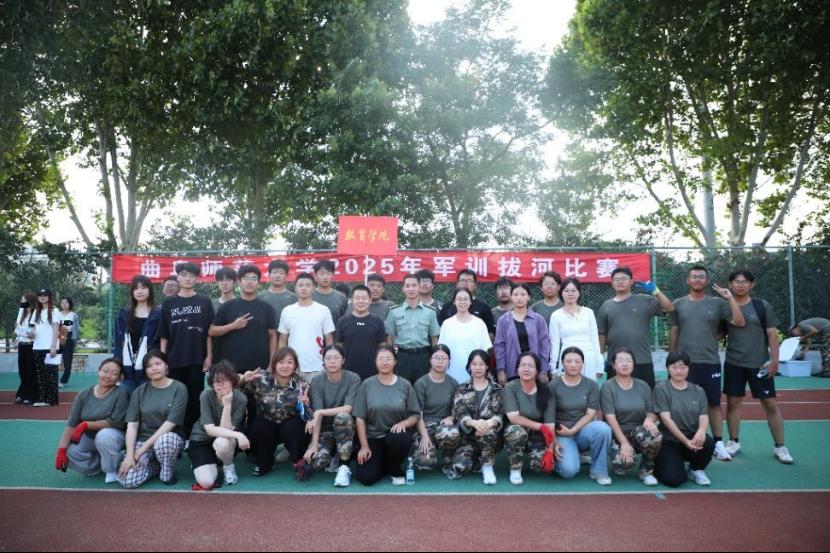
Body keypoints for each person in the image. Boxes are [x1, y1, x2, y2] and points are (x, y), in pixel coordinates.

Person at [668, 265, 746, 462]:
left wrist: (730, 297)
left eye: (701, 277)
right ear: (687, 280)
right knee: (682, 404)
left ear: (707, 281)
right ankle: (683, 441)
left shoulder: (718, 303)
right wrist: (672, 357)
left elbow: (739, 322)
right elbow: (674, 330)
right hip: (684, 364)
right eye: (694, 277)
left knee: (713, 403)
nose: (697, 280)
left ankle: (718, 443)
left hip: (710, 361)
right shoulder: (678, 303)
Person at [724, 270, 793, 463]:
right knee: (733, 403)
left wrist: (774, 360)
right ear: (730, 284)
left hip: (760, 364)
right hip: (733, 363)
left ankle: (780, 446)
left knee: (770, 404)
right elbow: (718, 332)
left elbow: (772, 334)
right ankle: (734, 442)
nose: (740, 285)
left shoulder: (762, 306)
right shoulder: (725, 306)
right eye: (736, 281)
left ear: (752, 285)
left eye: (745, 282)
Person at [157, 262, 215, 439]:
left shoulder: (204, 302)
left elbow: (209, 332)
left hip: (197, 358)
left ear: (197, 279)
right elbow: (164, 334)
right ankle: (177, 433)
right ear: (178, 278)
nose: (188, 278)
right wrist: (163, 359)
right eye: (184, 275)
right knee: (176, 398)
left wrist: (209, 355)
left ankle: (192, 435)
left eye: (191, 275)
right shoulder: (169, 303)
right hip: (174, 359)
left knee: (195, 397)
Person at [118, 350, 188, 488]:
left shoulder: (179, 388)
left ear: (166, 366)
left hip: (168, 438)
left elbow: (170, 423)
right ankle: (155, 466)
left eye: (158, 363)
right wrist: (130, 455)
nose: (154, 368)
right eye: (149, 366)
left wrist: (141, 450)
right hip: (143, 438)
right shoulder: (139, 391)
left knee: (165, 441)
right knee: (127, 480)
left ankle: (166, 471)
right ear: (145, 371)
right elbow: (132, 425)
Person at [353, 345, 421, 486]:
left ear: (395, 362)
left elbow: (415, 415)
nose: (385, 362)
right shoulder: (367, 384)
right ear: (375, 361)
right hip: (374, 437)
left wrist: (404, 423)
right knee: (366, 478)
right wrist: (364, 446)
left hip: (396, 436)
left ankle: (395, 468)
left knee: (399, 437)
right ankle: (384, 464)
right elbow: (359, 417)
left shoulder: (405, 385)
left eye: (388, 359)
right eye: (381, 359)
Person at [54, 358, 129, 483]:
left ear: (119, 377)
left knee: (104, 435)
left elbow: (115, 422)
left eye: (114, 373)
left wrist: (86, 424)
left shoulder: (121, 393)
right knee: (71, 452)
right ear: (99, 371)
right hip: (90, 438)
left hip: (114, 437)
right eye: (105, 371)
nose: (108, 376)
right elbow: (72, 423)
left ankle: (111, 469)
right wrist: (61, 450)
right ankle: (101, 465)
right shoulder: (84, 393)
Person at [598, 267, 674, 389]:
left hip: (642, 359)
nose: (620, 282)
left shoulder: (644, 300)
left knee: (646, 396)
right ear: (612, 283)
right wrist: (599, 357)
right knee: (616, 396)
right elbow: (601, 333)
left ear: (631, 282)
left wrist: (656, 291)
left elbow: (669, 308)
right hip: (616, 361)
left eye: (624, 278)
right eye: (616, 279)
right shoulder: (606, 305)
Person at [240, 348, 310, 477]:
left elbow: (309, 413)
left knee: (296, 427)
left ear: (295, 365)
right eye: (281, 362)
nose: (285, 366)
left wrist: (306, 405)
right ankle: (265, 462)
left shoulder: (302, 384)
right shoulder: (260, 378)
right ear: (274, 364)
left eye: (290, 362)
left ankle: (298, 461)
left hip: (289, 425)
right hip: (267, 422)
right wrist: (243, 379)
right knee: (258, 426)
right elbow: (234, 387)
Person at [653, 351, 716, 487]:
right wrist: (685, 441)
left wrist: (701, 430)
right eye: (674, 367)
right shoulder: (661, 389)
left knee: (708, 441)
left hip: (691, 438)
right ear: (668, 368)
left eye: (683, 367)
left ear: (689, 368)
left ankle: (695, 469)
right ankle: (665, 463)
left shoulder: (698, 391)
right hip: (669, 440)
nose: (679, 371)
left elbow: (704, 416)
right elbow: (666, 419)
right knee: (673, 480)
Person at [600, 348, 662, 486]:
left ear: (633, 364)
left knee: (654, 436)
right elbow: (610, 418)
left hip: (638, 432)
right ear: (614, 365)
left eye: (628, 360)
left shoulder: (643, 386)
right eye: (620, 361)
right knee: (622, 464)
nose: (625, 364)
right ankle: (624, 456)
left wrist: (649, 419)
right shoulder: (608, 387)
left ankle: (646, 470)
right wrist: (624, 442)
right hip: (617, 434)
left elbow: (652, 411)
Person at [551, 347, 613, 485]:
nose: (573, 365)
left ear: (582, 364)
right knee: (569, 471)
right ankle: (569, 456)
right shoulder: (553, 385)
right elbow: (548, 417)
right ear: (562, 363)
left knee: (603, 429)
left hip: (582, 431)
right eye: (569, 361)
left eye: (577, 361)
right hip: (562, 433)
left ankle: (599, 471)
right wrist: (553, 441)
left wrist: (573, 430)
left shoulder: (591, 385)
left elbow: (590, 414)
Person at [303, 345, 361, 487]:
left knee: (343, 416)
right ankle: (334, 452)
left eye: (336, 358)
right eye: (328, 358)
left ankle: (344, 465)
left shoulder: (353, 378)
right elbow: (317, 415)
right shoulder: (317, 380)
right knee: (315, 461)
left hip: (346, 428)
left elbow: (348, 408)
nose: (332, 362)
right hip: (326, 430)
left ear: (343, 360)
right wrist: (314, 446)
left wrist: (320, 412)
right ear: (323, 361)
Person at [188, 361, 250, 490]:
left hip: (224, 441)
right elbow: (210, 430)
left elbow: (225, 431)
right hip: (202, 439)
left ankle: (228, 467)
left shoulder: (241, 398)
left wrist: (227, 405)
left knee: (222, 442)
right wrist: (239, 435)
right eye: (216, 381)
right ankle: (206, 462)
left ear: (233, 382)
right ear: (212, 383)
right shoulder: (206, 395)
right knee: (207, 482)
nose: (220, 384)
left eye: (224, 380)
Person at [502, 352, 559, 485]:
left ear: (537, 370)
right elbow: (514, 417)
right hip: (516, 430)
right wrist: (540, 426)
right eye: (523, 365)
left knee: (544, 466)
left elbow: (550, 425)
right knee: (515, 431)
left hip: (537, 435)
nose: (526, 369)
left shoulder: (546, 391)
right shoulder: (510, 387)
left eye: (531, 366)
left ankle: (534, 456)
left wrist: (550, 450)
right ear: (517, 369)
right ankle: (515, 469)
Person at [210, 264, 278, 375]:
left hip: (259, 368)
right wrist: (232, 326)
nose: (249, 282)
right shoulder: (227, 306)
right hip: (231, 369)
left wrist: (271, 364)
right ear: (239, 282)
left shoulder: (267, 308)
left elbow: (273, 336)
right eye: (246, 278)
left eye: (253, 279)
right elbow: (212, 331)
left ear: (259, 283)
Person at [450, 350, 504, 485]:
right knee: (460, 467)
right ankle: (477, 461)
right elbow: (460, 412)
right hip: (468, 436)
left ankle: (487, 467)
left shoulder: (497, 389)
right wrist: (474, 423)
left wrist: (490, 423)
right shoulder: (462, 388)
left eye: (481, 364)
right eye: (474, 364)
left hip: (490, 436)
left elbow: (500, 414)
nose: (478, 368)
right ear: (469, 366)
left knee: (488, 431)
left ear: (487, 366)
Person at [412, 345, 462, 478]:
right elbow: (417, 414)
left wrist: (451, 417)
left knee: (450, 434)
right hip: (424, 425)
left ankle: (448, 458)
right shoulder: (421, 383)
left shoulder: (453, 383)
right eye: (436, 358)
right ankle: (422, 449)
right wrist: (424, 436)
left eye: (444, 358)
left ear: (449, 361)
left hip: (444, 426)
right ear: (430, 360)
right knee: (424, 462)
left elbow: (457, 408)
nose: (440, 362)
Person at [278, 273, 335, 381]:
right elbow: (282, 340)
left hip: (318, 366)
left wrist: (329, 361)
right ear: (295, 287)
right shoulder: (287, 311)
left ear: (313, 288)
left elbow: (329, 339)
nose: (304, 288)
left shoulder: (323, 310)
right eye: (300, 285)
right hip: (292, 367)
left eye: (308, 285)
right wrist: (281, 362)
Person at [385, 274, 440, 383]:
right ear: (403, 289)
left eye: (414, 285)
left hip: (423, 357)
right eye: (408, 286)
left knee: (422, 388)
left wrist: (434, 359)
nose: (411, 289)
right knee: (402, 388)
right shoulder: (394, 311)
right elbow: (389, 338)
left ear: (419, 287)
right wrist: (391, 358)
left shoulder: (430, 312)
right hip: (402, 357)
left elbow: (434, 339)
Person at [494, 283, 552, 385]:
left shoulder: (538, 320)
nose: (519, 298)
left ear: (529, 297)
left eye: (523, 294)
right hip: (512, 370)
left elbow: (545, 346)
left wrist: (543, 370)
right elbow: (499, 347)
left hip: (534, 370)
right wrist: (501, 370)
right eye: (516, 294)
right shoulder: (503, 320)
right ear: (511, 297)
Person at [114, 275, 162, 395]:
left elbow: (161, 342)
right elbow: (119, 342)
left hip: (149, 369)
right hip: (128, 369)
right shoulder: (124, 313)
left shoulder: (158, 313)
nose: (140, 291)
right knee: (125, 398)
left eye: (143, 288)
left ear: (150, 290)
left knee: (148, 401)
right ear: (132, 292)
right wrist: (117, 366)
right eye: (136, 288)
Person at [549, 278, 604, 380]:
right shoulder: (556, 315)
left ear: (579, 293)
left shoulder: (588, 312)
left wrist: (600, 365)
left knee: (588, 388)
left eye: (573, 290)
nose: (570, 294)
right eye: (566, 291)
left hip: (588, 358)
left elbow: (595, 340)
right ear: (561, 293)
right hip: (567, 358)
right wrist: (552, 368)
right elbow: (554, 344)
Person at [438, 289, 492, 384]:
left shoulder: (479, 323)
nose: (462, 302)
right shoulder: (447, 324)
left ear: (470, 302)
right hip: (451, 373)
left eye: (465, 299)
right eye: (459, 299)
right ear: (454, 302)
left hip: (475, 373)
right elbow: (441, 350)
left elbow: (486, 350)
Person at [335, 285, 387, 381]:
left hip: (372, 371)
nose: (360, 301)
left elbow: (382, 346)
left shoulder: (378, 322)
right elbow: (339, 346)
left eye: (364, 298)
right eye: (357, 298)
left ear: (370, 300)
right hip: (348, 370)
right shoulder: (342, 321)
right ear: (351, 300)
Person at [438, 269, 496, 338]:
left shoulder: (484, 307)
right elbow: (441, 331)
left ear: (475, 285)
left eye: (469, 281)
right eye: (462, 280)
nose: (465, 284)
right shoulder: (447, 307)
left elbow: (490, 333)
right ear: (457, 284)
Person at [30, 289, 61, 407]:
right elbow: (34, 330)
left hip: (50, 347)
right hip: (37, 347)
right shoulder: (36, 312)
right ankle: (42, 398)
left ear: (49, 297)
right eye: (40, 295)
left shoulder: (54, 310)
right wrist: (30, 334)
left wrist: (53, 346)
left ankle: (51, 399)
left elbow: (56, 329)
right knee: (40, 374)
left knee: (51, 374)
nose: (42, 297)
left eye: (44, 295)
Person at [259, 260, 297, 332]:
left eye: (281, 273)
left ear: (286, 276)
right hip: (265, 335)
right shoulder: (260, 298)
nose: (277, 276)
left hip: (289, 336)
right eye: (274, 272)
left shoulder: (294, 298)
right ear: (269, 275)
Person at [14, 292, 37, 405]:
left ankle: (31, 395)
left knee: (30, 370)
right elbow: (17, 330)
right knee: (22, 371)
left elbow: (32, 333)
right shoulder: (22, 315)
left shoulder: (35, 314)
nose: (21, 302)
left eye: (24, 300)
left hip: (31, 346)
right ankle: (22, 394)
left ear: (29, 301)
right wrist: (21, 333)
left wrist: (22, 330)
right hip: (22, 346)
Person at [313, 260, 349, 325]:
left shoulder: (341, 298)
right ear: (315, 276)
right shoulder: (308, 296)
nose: (325, 277)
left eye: (328, 273)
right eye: (322, 274)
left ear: (333, 275)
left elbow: (344, 322)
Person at [58, 297, 80, 388]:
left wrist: (74, 340)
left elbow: (76, 329)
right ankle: (51, 379)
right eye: (62, 302)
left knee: (67, 361)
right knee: (52, 359)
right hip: (57, 337)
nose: (64, 304)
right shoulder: (57, 314)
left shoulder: (74, 315)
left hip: (69, 337)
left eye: (66, 302)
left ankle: (63, 381)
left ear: (70, 304)